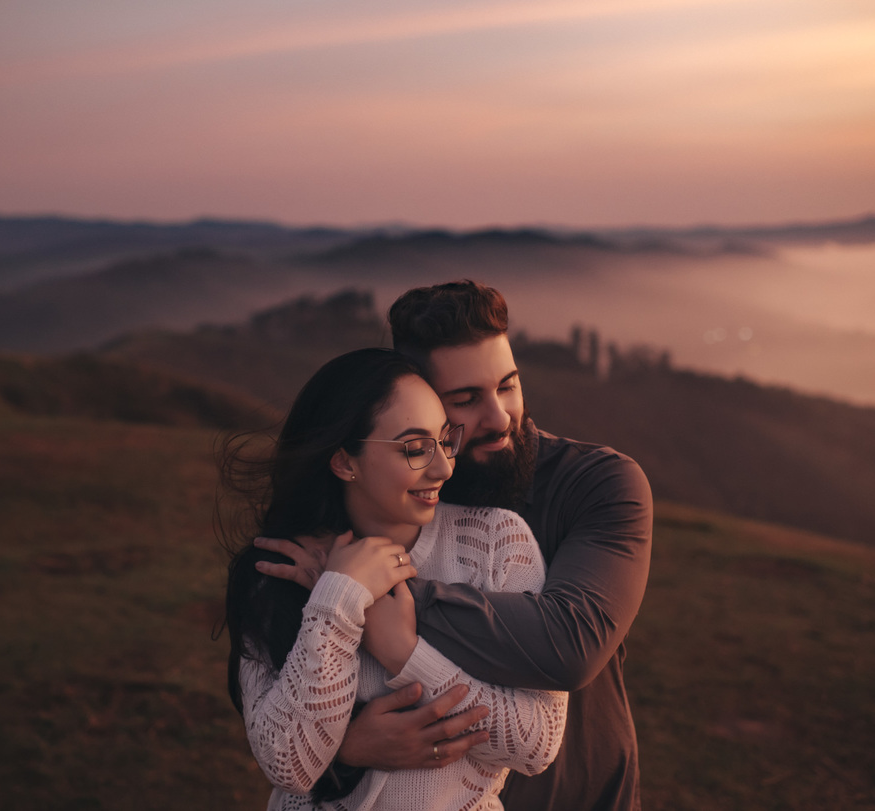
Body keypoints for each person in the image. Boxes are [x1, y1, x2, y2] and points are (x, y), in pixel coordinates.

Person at [258, 281, 652, 811]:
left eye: (508, 386)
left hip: (579, 793)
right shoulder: (385, 495)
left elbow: (570, 644)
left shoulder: (599, 483)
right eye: (465, 399)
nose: (498, 418)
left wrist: (364, 586)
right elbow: (281, 714)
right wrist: (346, 748)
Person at [224, 348, 568, 810]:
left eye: (444, 439)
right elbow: (286, 763)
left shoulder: (496, 543)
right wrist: (338, 597)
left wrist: (403, 651)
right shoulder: (284, 566)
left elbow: (537, 742)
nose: (445, 467)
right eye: (415, 448)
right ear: (345, 462)